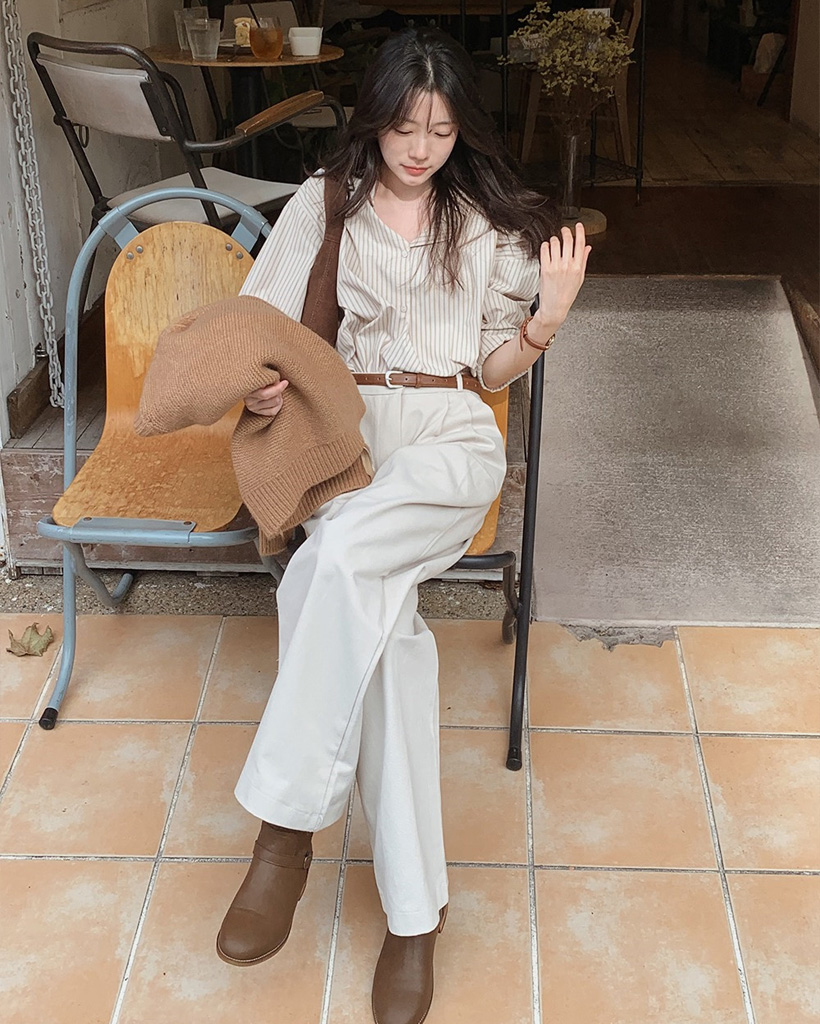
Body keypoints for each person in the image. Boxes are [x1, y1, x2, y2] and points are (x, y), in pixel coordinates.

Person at [216, 27, 590, 1024]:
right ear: (373, 119)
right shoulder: (323, 203)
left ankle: (283, 831)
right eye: (404, 126)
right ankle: (414, 915)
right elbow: (261, 328)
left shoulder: (485, 222)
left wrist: (545, 320)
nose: (420, 148)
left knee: (337, 557)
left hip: (451, 436)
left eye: (441, 129)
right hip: (348, 435)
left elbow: (494, 369)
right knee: (387, 639)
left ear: (460, 131)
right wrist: (261, 387)